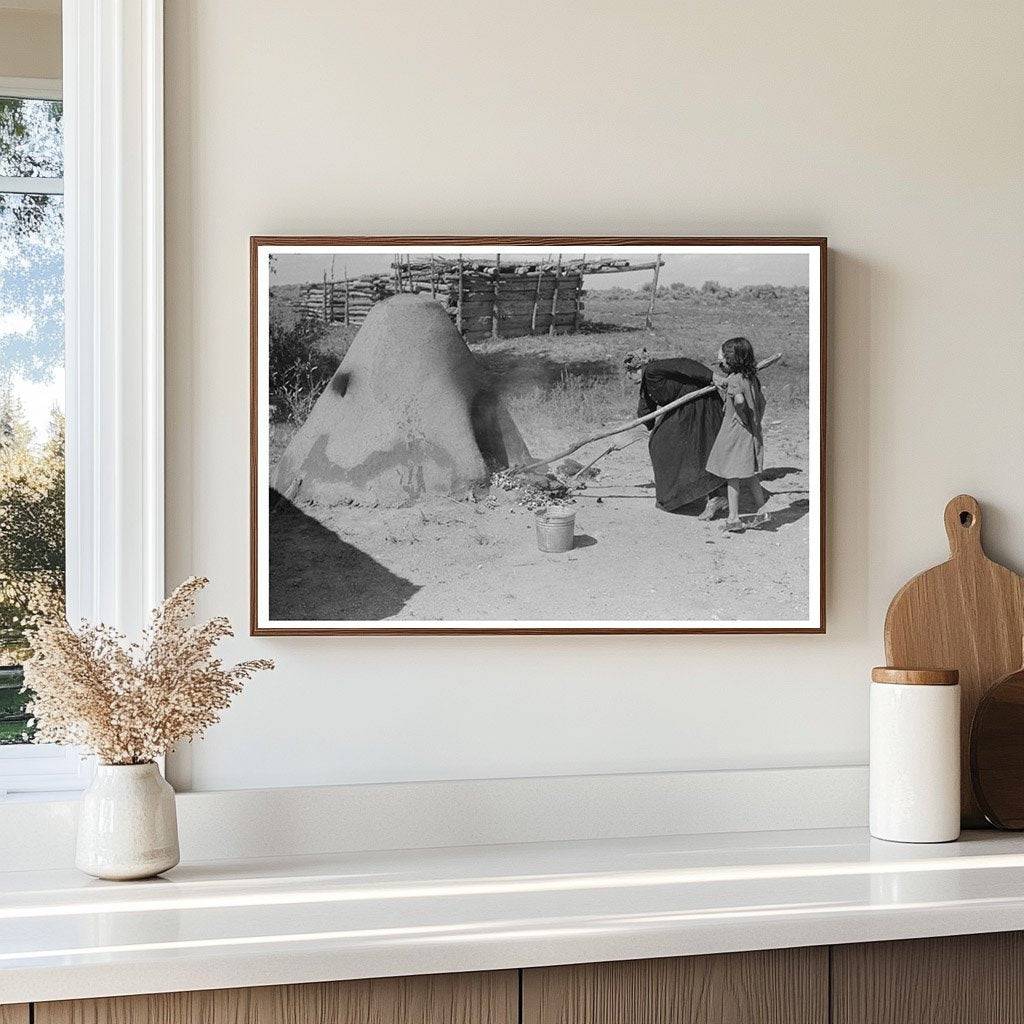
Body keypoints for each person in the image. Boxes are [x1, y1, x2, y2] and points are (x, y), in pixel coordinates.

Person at [625, 349, 727, 516]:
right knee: (658, 442)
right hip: (685, 410)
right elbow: (646, 414)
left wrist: (712, 377)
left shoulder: (653, 370)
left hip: (701, 405)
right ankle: (678, 495)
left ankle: (717, 495)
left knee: (668, 442)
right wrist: (625, 439)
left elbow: (685, 364)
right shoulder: (647, 384)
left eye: (629, 373)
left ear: (638, 368)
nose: (628, 378)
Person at [706, 337, 769, 532]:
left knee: (732, 476)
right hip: (750, 431)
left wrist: (740, 415)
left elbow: (739, 400)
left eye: (723, 358)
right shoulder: (751, 378)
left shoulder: (734, 380)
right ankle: (762, 511)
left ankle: (733, 518)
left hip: (735, 433)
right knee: (749, 474)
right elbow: (761, 401)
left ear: (730, 360)